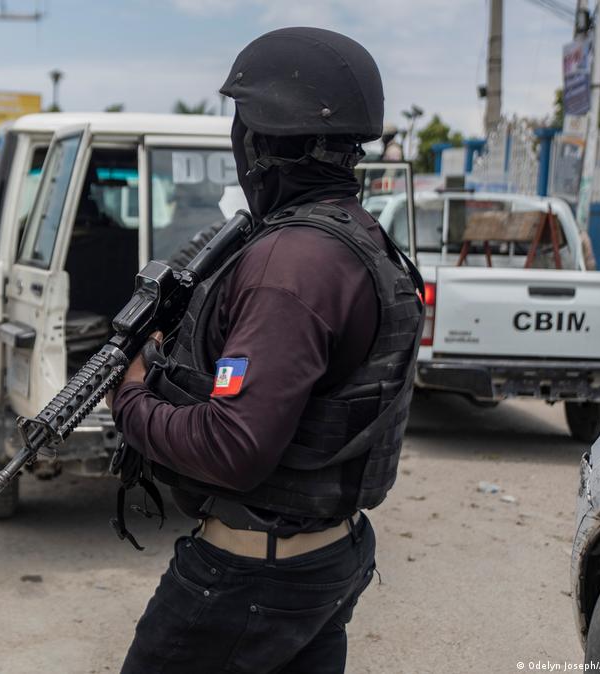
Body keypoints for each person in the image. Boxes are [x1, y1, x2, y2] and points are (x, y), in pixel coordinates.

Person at [109, 28, 423, 673]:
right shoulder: (354, 235)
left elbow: (233, 448)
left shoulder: (292, 260)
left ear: (258, 137)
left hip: (252, 576)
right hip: (319, 558)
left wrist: (130, 395)